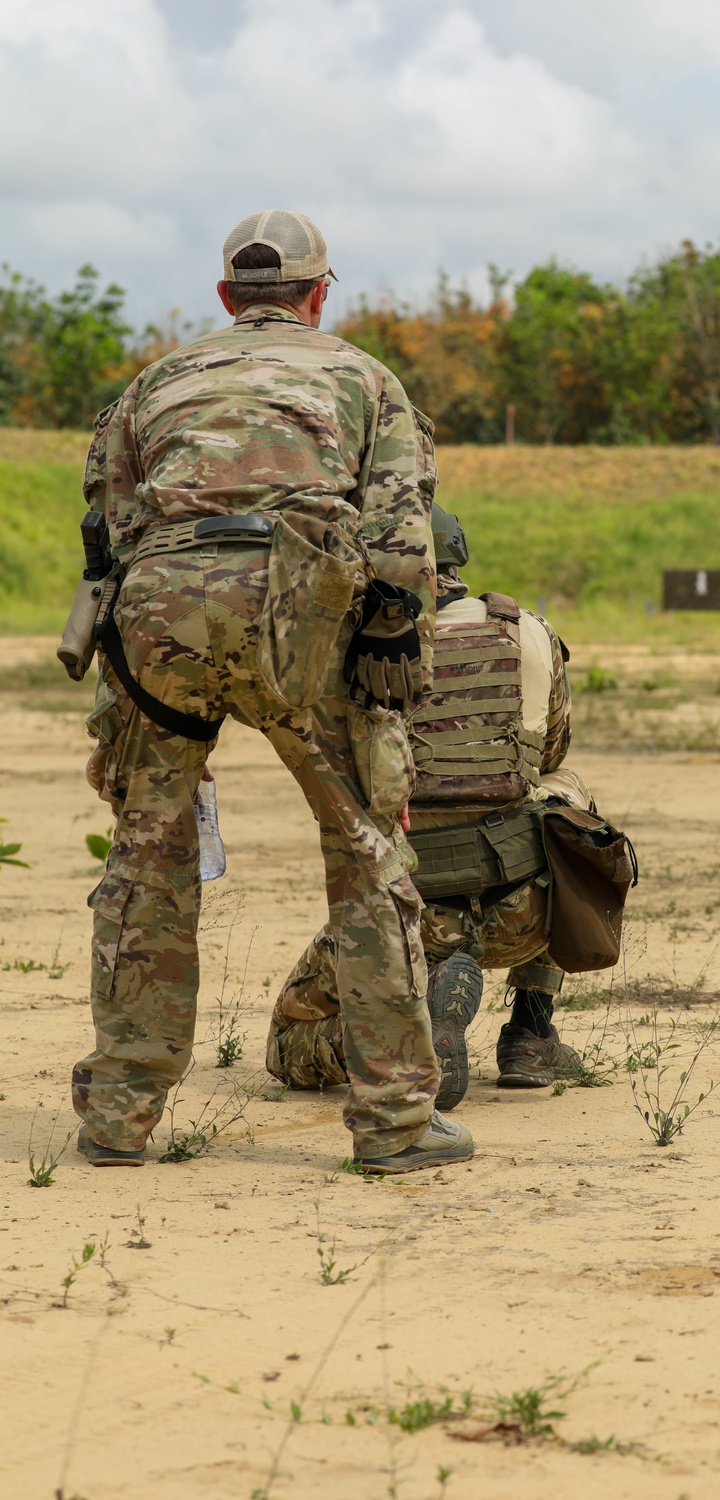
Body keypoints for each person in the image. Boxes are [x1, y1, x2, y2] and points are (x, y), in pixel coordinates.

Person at [71, 209, 473, 1175]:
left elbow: (109, 521)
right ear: (319, 294)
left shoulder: (156, 381)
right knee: (368, 854)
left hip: (161, 614)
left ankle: (120, 1114)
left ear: (225, 298)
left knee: (146, 855)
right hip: (300, 607)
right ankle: (395, 1122)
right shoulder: (364, 376)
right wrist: (389, 631)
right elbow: (403, 530)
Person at [267, 504, 599, 1107]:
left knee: (289, 1047)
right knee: (566, 802)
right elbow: (551, 750)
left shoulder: (341, 648)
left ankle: (410, 1039)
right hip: (522, 912)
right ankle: (530, 1030)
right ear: (457, 559)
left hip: (406, 917)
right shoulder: (529, 631)